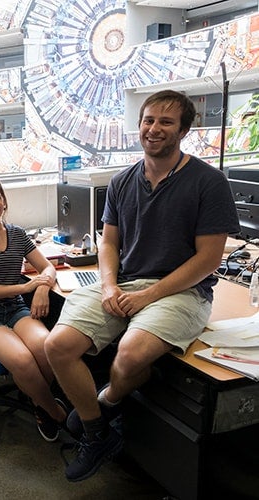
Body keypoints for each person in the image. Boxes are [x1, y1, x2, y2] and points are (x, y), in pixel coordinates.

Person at [44, 90, 240, 482]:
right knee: (58, 346)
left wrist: (148, 295)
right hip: (126, 282)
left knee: (130, 356)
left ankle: (106, 400)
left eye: (166, 122)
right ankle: (98, 433)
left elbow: (208, 260)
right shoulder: (121, 182)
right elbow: (109, 243)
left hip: (184, 290)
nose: (154, 129)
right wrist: (109, 287)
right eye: (148, 120)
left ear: (184, 130)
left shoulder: (208, 182)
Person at [0, 176, 67, 442]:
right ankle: (55, 413)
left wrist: (42, 287)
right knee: (22, 360)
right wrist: (25, 288)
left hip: (14, 309)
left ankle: (35, 394)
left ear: (5, 201)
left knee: (46, 347)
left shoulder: (17, 234)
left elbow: (48, 267)